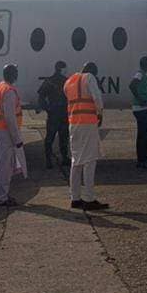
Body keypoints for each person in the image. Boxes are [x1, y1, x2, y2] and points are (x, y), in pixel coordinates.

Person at [65, 61, 108, 211]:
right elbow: (97, 97)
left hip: (73, 124)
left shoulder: (69, 81)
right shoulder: (89, 77)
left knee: (76, 162)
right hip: (88, 124)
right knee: (90, 160)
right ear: (92, 71)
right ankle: (89, 198)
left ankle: (75, 198)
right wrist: (100, 113)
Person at [0, 63, 25, 207]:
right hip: (5, 131)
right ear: (12, 75)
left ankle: (1, 194)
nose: (17, 75)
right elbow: (10, 117)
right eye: (16, 72)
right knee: (4, 165)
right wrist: (17, 139)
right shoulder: (9, 91)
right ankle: (2, 197)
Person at [37, 60, 70, 169]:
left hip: (54, 114)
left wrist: (47, 108)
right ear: (61, 69)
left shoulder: (49, 81)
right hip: (62, 114)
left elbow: (41, 97)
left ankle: (49, 160)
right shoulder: (66, 81)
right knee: (62, 137)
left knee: (51, 138)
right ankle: (63, 158)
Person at [129, 56, 147, 169]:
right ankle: (143, 159)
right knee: (144, 135)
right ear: (145, 64)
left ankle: (142, 159)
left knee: (143, 134)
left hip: (143, 108)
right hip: (141, 108)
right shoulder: (140, 74)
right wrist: (140, 99)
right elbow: (132, 85)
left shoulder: (143, 74)